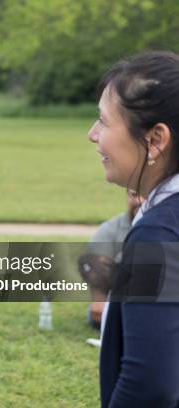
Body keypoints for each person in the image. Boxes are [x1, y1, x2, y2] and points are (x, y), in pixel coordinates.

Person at [88, 51, 179, 407]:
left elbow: (149, 386)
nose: (92, 135)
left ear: (155, 139)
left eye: (104, 122)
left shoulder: (157, 236)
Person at [79, 190, 142, 329]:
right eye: (133, 195)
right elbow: (92, 264)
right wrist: (99, 299)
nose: (139, 201)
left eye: (146, 195)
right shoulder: (111, 229)